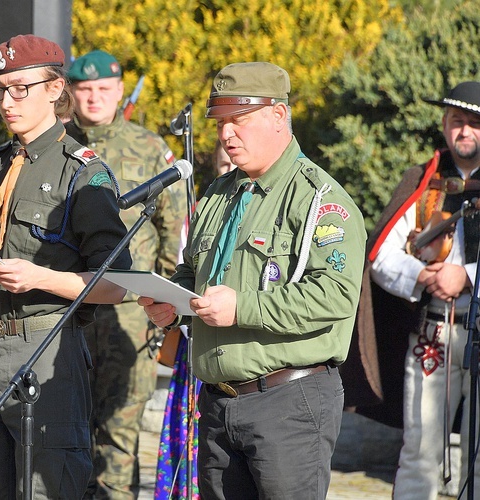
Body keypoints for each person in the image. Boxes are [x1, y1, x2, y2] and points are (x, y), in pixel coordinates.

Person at [139, 62, 366, 499]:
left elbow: (335, 297)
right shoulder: (219, 193)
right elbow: (194, 270)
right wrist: (171, 302)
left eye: (237, 121)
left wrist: (243, 307)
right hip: (219, 403)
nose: (225, 135)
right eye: (220, 123)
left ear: (278, 116)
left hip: (289, 402)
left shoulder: (320, 199)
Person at [0, 34, 132, 499]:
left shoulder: (81, 171)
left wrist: (40, 278)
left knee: (47, 488)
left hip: (47, 352)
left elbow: (117, 283)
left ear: (54, 88)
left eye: (20, 88)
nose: (7, 101)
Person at [63, 49, 184, 499]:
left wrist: (167, 305)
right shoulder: (55, 146)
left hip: (132, 316)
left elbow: (173, 230)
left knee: (120, 432)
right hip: (69, 307)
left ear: (118, 91)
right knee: (67, 431)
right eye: (85, 89)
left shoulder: (150, 147)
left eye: (103, 89)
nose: (94, 98)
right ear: (72, 93)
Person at [360, 81, 480, 498]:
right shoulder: (424, 180)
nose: (464, 131)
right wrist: (422, 276)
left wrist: (465, 275)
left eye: (474, 123)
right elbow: (380, 258)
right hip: (433, 335)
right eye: (457, 121)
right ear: (445, 126)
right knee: (420, 454)